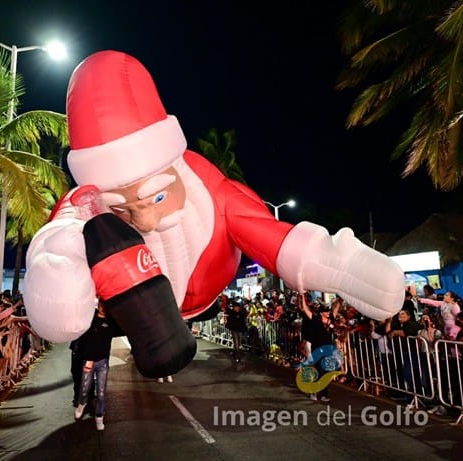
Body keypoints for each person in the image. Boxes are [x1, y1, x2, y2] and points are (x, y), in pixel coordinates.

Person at [23, 50, 404, 373]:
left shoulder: (212, 192)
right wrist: (55, 270)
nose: (144, 221)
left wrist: (344, 265)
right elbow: (59, 237)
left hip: (205, 304)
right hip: (135, 319)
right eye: (123, 208)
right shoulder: (86, 203)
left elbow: (275, 239)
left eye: (155, 199)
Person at [74, 301, 123, 431]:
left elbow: (125, 326)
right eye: (100, 304)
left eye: (105, 305)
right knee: (84, 388)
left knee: (101, 393)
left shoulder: (111, 323)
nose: (102, 307)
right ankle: (81, 404)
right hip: (88, 361)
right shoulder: (89, 319)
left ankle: (99, 417)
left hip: (103, 363)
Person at [298, 294, 342, 403]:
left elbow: (337, 308)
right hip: (317, 349)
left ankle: (323, 394)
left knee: (326, 372)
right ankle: (314, 390)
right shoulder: (315, 320)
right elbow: (305, 309)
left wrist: (341, 297)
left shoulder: (331, 319)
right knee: (318, 370)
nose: (328, 313)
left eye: (329, 311)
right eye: (326, 312)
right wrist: (302, 298)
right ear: (322, 313)